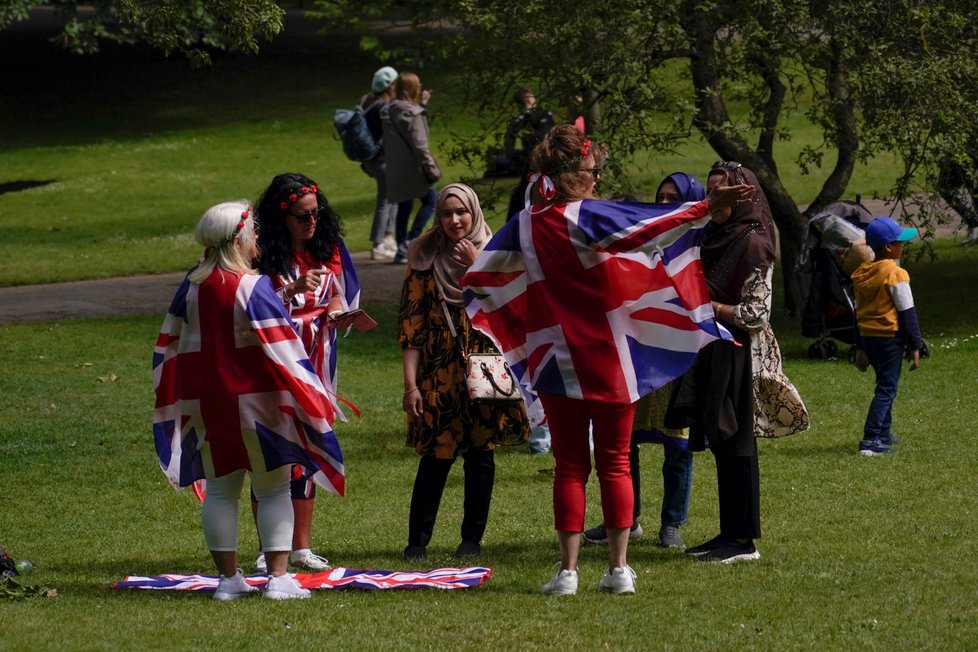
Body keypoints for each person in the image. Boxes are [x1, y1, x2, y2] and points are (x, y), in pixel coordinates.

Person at [461, 125, 754, 595]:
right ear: (575, 172)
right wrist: (704, 208)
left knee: (570, 465)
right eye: (594, 170)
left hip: (553, 361)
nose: (598, 178)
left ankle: (568, 572)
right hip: (609, 359)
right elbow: (649, 226)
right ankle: (618, 569)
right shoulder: (587, 217)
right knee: (615, 462)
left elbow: (481, 276)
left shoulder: (525, 222)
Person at [153, 200, 346, 601]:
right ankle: (277, 578)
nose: (258, 238)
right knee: (274, 488)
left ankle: (227, 580)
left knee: (222, 490)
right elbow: (283, 343)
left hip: (208, 404)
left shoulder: (190, 286)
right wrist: (313, 393)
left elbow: (169, 344)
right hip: (260, 404)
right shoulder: (253, 286)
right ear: (240, 238)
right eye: (253, 232)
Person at [665, 161, 810, 564]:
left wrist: (706, 305)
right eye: (709, 192)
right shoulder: (713, 236)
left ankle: (743, 541)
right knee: (722, 444)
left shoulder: (753, 243)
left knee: (737, 443)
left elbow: (754, 315)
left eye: (722, 192)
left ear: (743, 195)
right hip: (714, 350)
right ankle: (729, 533)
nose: (713, 200)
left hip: (740, 355)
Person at [398, 183, 530, 561]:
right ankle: (417, 541)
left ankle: (472, 538)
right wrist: (411, 386)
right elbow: (412, 328)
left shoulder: (494, 255)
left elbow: (511, 311)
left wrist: (478, 266)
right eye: (446, 213)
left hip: (484, 369)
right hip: (439, 373)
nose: (455, 220)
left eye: (462, 212)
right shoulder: (423, 261)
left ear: (474, 213)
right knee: (435, 456)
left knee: (480, 456)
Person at [583, 172, 706, 550]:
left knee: (677, 445)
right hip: (634, 352)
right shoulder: (634, 239)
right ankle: (625, 518)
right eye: (661, 196)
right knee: (624, 441)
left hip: (675, 356)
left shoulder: (694, 244)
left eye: (674, 197)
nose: (665, 203)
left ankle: (671, 524)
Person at [251, 172, 361, 574]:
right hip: (275, 363)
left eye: (316, 214)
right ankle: (269, 547)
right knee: (273, 453)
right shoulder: (260, 255)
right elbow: (250, 308)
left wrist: (337, 312)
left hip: (315, 364)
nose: (311, 223)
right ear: (282, 218)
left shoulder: (325, 248)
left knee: (308, 451)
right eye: (302, 217)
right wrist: (291, 291)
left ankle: (300, 547)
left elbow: (334, 295)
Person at [851, 216, 923, 456]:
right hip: (890, 339)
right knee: (886, 389)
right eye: (900, 241)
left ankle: (884, 433)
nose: (904, 244)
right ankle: (870, 439)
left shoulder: (862, 273)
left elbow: (858, 313)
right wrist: (916, 345)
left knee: (884, 384)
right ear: (889, 247)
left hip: (870, 338)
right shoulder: (895, 274)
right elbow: (907, 313)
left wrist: (860, 346)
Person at [382, 71, 441, 263]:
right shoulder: (414, 113)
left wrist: (422, 104)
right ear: (413, 88)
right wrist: (432, 169)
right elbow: (420, 146)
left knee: (404, 206)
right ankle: (410, 241)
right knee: (432, 200)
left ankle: (401, 248)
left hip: (396, 169)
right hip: (415, 168)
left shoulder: (388, 111)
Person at [360, 66, 400, 260]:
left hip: (373, 159)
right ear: (389, 86)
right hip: (381, 159)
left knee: (392, 197)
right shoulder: (383, 106)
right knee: (385, 199)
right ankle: (378, 244)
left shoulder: (369, 101)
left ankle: (387, 238)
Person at [504, 88, 555, 220]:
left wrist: (510, 153)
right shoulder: (541, 114)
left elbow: (510, 135)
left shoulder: (534, 115)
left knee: (524, 192)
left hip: (537, 160)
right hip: (545, 158)